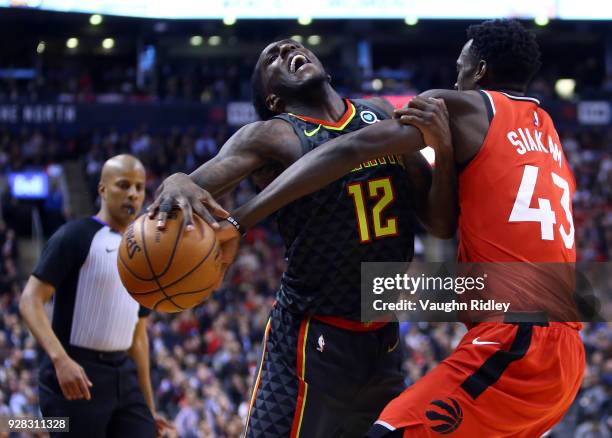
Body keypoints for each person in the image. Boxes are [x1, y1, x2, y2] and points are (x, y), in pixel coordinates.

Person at [211, 19, 584, 437]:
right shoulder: (546, 129)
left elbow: (353, 147)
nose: (455, 81)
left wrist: (240, 220)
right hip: (565, 348)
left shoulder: (462, 106)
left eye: (460, 69)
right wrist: (442, 151)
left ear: (478, 72)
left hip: (518, 338)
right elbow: (453, 242)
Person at [149, 39, 457, 437]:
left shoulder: (379, 113)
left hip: (382, 341)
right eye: (271, 58)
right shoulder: (270, 135)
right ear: (273, 98)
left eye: (292, 47)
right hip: (309, 340)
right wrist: (175, 180)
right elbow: (195, 183)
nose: (288, 50)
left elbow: (441, 222)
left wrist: (445, 154)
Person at [20, 155, 173, 438]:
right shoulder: (75, 235)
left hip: (124, 377)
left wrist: (149, 407)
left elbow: (139, 337)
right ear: (102, 189)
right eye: (123, 185)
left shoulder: (148, 252)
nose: (133, 194)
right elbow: (30, 300)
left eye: (139, 187)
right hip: (76, 371)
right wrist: (60, 360)